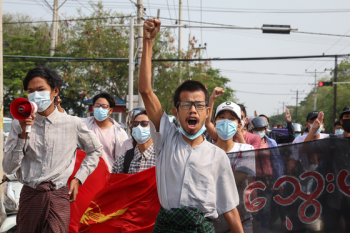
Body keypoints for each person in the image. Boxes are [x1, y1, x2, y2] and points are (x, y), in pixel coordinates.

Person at [139, 18, 243, 233]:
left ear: (206, 113)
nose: (193, 110)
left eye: (199, 105)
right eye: (186, 105)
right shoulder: (165, 138)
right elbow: (146, 91)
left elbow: (229, 208)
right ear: (176, 112)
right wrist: (148, 42)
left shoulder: (217, 157)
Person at [3, 66, 103, 232]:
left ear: (55, 91)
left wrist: (78, 179)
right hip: (30, 196)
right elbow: (8, 167)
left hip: (58, 196)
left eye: (41, 89)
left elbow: (95, 150)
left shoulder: (73, 123)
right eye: (30, 91)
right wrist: (23, 133)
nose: (35, 95)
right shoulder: (17, 123)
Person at [204, 101, 255, 233]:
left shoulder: (246, 149)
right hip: (210, 221)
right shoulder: (204, 151)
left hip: (241, 220)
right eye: (222, 117)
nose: (226, 122)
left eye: (231, 118)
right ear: (214, 122)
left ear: (239, 125)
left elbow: (237, 178)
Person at [82, 92, 130, 172]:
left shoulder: (119, 132)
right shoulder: (84, 125)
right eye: (97, 106)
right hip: (86, 175)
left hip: (109, 175)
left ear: (110, 110)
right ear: (93, 108)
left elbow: (124, 159)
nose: (100, 109)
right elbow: (66, 120)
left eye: (104, 106)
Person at [112, 110, 156, 174]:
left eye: (144, 124)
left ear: (154, 128)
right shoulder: (123, 160)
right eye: (135, 124)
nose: (139, 127)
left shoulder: (162, 157)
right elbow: (114, 181)